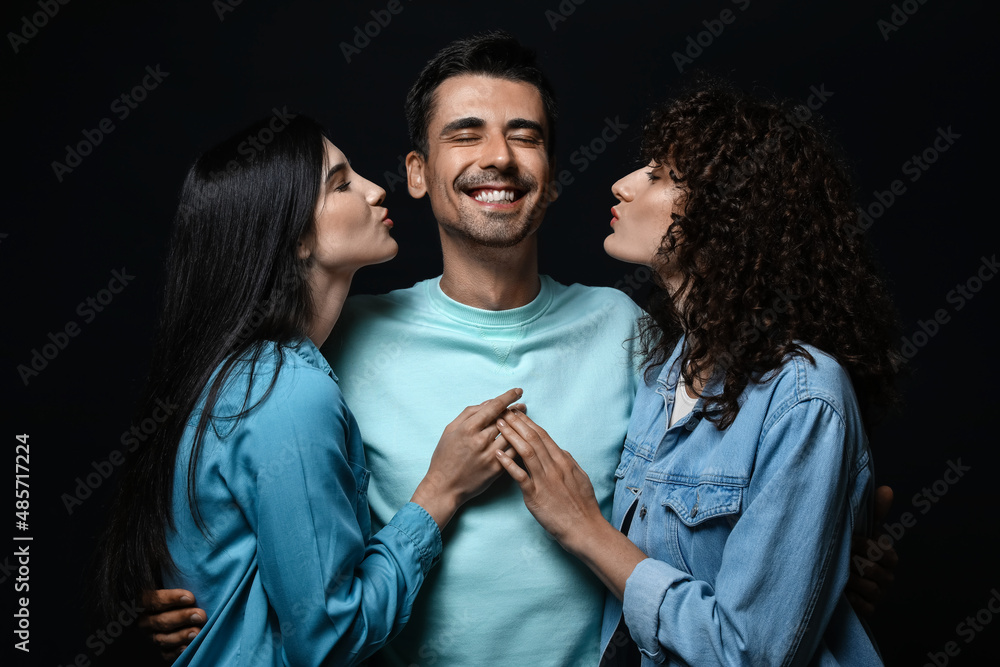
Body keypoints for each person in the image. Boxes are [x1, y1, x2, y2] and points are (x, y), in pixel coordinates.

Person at [142, 33, 897, 666]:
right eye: (465, 133)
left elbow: (746, 490)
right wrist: (207, 591)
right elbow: (257, 497)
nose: (498, 157)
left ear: (554, 179)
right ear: (415, 173)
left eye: (525, 135)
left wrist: (838, 560)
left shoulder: (637, 336)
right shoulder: (334, 345)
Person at [93, 114, 525, 665]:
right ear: (296, 236)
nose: (375, 190)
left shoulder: (242, 374)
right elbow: (328, 638)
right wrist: (440, 492)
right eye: (342, 184)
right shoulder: (287, 393)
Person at [493, 80, 900, 665]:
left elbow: (751, 653)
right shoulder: (662, 373)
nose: (623, 184)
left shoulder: (805, 395)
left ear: (728, 213)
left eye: (659, 175)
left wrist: (584, 526)